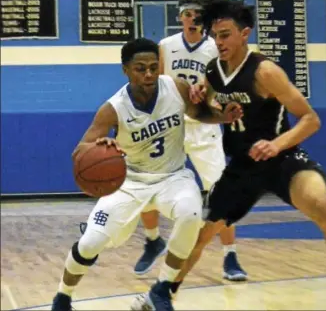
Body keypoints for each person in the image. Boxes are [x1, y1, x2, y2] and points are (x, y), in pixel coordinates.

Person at [132, 0, 326, 311]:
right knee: (199, 233)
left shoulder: (264, 71)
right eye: (215, 36)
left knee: (320, 205)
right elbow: (210, 111)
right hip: (242, 167)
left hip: (281, 159)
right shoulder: (213, 71)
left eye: (225, 34)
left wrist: (277, 144)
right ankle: (160, 296)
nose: (218, 42)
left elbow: (310, 119)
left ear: (244, 33)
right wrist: (200, 100)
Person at [51, 37, 242, 311]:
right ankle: (63, 297)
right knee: (90, 243)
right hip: (130, 182)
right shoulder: (113, 108)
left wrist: (223, 116)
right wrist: (100, 145)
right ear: (125, 70)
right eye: (141, 68)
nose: (149, 74)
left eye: (154, 67)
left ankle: (161, 290)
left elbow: (200, 112)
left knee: (191, 214)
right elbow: (79, 150)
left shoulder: (175, 86)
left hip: (173, 177)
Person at [133, 0, 247, 282]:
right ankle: (152, 240)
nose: (192, 19)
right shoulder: (166, 46)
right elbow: (156, 83)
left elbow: (225, 86)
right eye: (188, 14)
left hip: (205, 126)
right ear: (180, 17)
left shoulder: (216, 47)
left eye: (198, 15)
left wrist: (207, 92)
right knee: (146, 183)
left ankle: (230, 255)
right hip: (172, 127)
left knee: (223, 193)